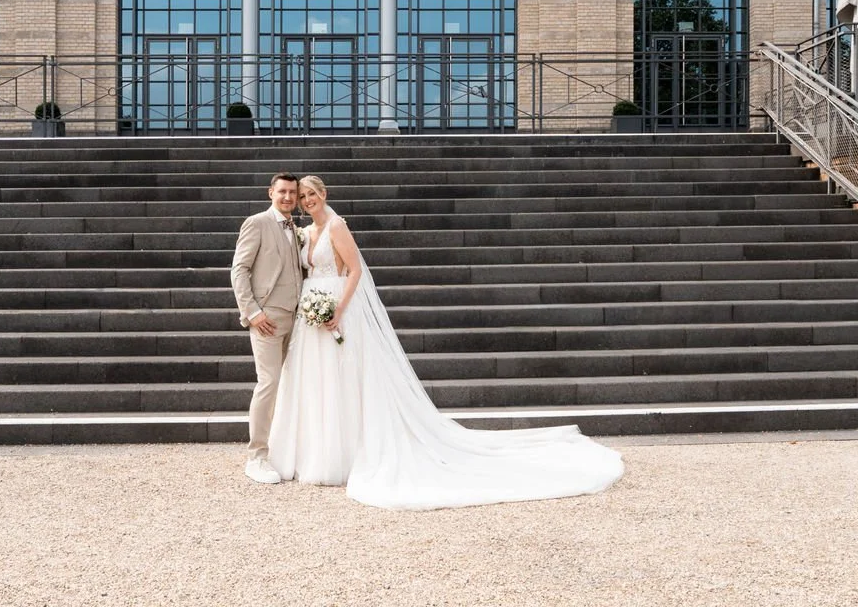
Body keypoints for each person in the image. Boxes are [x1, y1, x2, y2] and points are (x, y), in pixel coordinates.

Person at [267, 175, 625, 510]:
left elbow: (356, 270)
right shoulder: (304, 231)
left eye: (312, 194)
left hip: (337, 310)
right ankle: (315, 452)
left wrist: (339, 311)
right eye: (302, 196)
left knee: (342, 380)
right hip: (310, 317)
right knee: (317, 383)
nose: (307, 200)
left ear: (324, 195)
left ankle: (344, 455)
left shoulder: (336, 226)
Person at [229, 171, 304, 485]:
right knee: (269, 383)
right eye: (282, 191)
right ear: (270, 193)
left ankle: (285, 451)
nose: (288, 197)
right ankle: (256, 457)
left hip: (298, 318)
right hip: (267, 319)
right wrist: (252, 312)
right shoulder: (257, 223)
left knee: (292, 385)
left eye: (293, 193)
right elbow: (239, 269)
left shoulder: (297, 229)